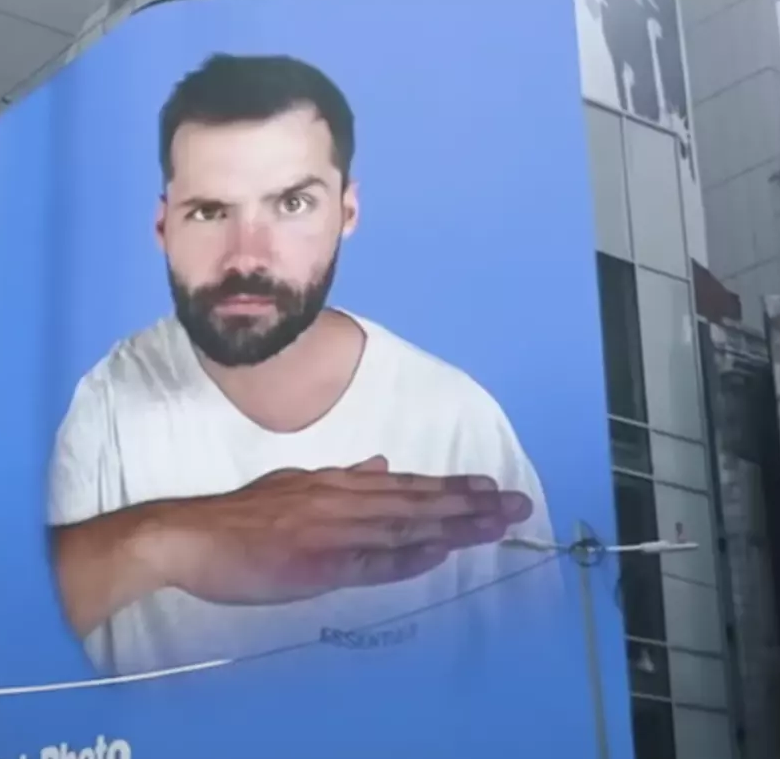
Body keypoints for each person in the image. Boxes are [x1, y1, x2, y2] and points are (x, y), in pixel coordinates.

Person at [47, 54, 555, 675]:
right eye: (209, 212)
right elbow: (10, 647)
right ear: (162, 225)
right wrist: (176, 538)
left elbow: (536, 679)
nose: (246, 257)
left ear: (347, 211)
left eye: (292, 204)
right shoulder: (106, 404)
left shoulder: (457, 420)